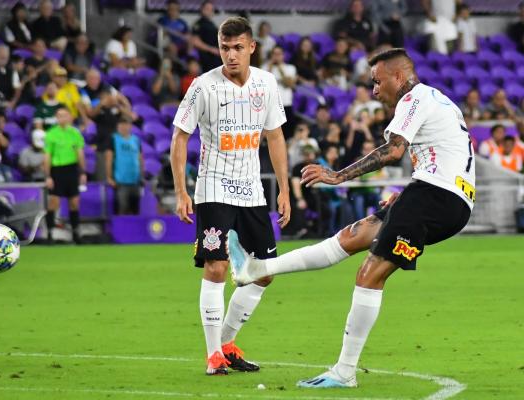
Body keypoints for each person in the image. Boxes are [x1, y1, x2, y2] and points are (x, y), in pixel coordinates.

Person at [227, 48, 475, 389]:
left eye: (377, 82)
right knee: (350, 237)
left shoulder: (414, 99)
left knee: (369, 275)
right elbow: (442, 152)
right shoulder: (438, 99)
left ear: (398, 77)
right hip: (438, 195)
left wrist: (338, 175)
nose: (374, 91)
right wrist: (408, 196)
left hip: (436, 196)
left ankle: (345, 371)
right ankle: (257, 269)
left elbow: (393, 150)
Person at [170, 17, 290, 375]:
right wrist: (181, 192)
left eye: (238, 47)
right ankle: (213, 357)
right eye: (225, 48)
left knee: (263, 273)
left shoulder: (267, 83)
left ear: (252, 47)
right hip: (214, 187)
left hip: (252, 190)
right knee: (217, 266)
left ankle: (226, 342)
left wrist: (284, 189)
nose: (231, 55)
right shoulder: (203, 87)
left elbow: (276, 137)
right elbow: (179, 138)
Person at [44, 106, 86, 243]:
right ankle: (49, 232)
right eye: (60, 115)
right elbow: (47, 156)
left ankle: (76, 233)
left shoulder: (75, 133)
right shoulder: (51, 134)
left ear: (70, 117)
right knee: (54, 201)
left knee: (74, 202)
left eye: (65, 115)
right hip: (57, 170)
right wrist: (48, 176)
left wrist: (82, 172)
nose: (62, 118)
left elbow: (80, 154)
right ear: (56, 118)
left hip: (72, 170)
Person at [106, 116, 144, 214]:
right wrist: (109, 177)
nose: (123, 127)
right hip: (121, 181)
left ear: (130, 126)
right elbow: (109, 159)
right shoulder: (113, 139)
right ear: (118, 127)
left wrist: (142, 175)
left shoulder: (136, 140)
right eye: (121, 125)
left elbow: (140, 158)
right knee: (122, 208)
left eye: (126, 125)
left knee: (136, 209)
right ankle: (121, 229)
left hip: (135, 180)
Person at [262, 45, 297, 139]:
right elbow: (263, 84)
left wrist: (280, 68)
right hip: (270, 105)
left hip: (286, 105)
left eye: (279, 54)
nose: (276, 56)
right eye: (274, 54)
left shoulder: (290, 68)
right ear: (271, 55)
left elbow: (289, 84)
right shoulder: (264, 67)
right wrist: (270, 66)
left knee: (287, 135)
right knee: (270, 136)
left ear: (283, 55)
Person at [191, 1, 221, 73]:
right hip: (207, 56)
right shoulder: (198, 24)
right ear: (202, 9)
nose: (209, 11)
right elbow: (195, 42)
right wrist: (212, 50)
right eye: (207, 9)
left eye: (211, 9)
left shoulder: (212, 24)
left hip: (217, 55)